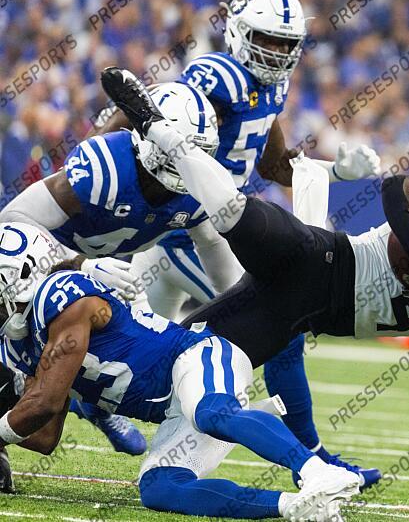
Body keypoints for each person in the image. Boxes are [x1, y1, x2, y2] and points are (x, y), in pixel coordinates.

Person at [103, 66, 409, 522]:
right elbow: (400, 189)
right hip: (318, 261)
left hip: (291, 315)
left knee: (181, 362)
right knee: (232, 214)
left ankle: (91, 396)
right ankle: (160, 129)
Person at [93, 0, 382, 489]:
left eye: (286, 45)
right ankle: (313, 459)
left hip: (221, 227)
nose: (276, 54)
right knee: (284, 325)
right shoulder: (218, 74)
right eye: (267, 40)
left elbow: (272, 164)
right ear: (239, 32)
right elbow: (160, 109)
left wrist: (335, 172)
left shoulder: (273, 87)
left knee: (120, 338)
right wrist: (113, 127)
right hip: (191, 226)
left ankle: (81, 398)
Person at [0, 222, 359, 520]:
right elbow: (45, 435)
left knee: (210, 411)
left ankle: (317, 472)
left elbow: (45, 402)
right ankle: (299, 507)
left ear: (22, 273)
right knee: (160, 488)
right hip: (174, 409)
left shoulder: (59, 294)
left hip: (194, 357)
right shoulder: (21, 341)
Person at [0, 82, 242, 472]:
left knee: (110, 351)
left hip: (107, 280)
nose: (184, 158)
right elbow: (12, 221)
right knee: (16, 351)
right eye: (176, 147)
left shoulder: (198, 187)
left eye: (193, 150)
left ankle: (89, 400)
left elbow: (213, 247)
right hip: (41, 270)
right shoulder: (105, 166)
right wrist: (79, 264)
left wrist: (241, 300)